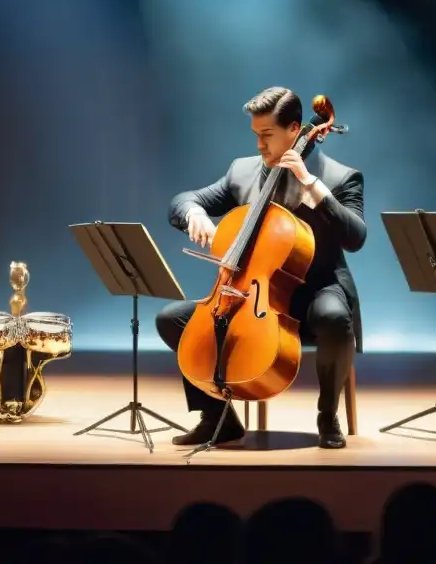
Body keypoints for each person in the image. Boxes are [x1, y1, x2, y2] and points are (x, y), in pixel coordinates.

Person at [156, 87, 365, 449]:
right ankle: (218, 418)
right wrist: (196, 215)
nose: (259, 146)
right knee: (172, 320)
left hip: (317, 288)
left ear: (295, 130)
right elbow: (183, 200)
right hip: (255, 295)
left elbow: (356, 236)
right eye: (256, 135)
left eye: (267, 136)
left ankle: (327, 415)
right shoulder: (243, 172)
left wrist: (311, 186)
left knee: (334, 318)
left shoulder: (339, 177)